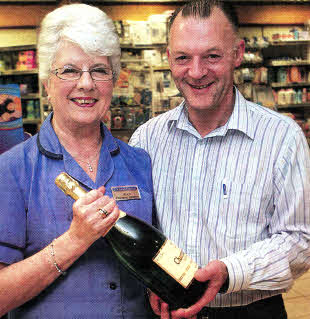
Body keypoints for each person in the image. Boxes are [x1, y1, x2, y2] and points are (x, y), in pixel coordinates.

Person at [129, 0, 310, 318]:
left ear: (238, 53)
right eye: (183, 58)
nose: (196, 72)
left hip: (253, 310)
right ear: (169, 58)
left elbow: (299, 239)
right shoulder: (146, 139)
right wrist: (151, 282)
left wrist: (230, 272)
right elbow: (143, 230)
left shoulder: (282, 138)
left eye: (212, 56)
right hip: (169, 311)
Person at [0, 4, 155, 318]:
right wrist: (75, 241)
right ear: (47, 82)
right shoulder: (12, 170)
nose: (86, 84)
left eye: (99, 70)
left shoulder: (141, 163)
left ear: (113, 80)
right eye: (69, 70)